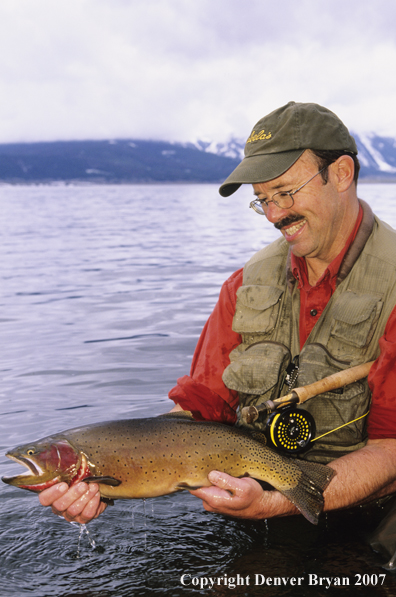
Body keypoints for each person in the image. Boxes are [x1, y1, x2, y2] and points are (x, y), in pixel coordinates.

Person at [39, 101, 396, 524]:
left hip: (372, 514)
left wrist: (276, 501)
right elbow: (200, 410)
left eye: (285, 192)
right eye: (262, 200)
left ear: (341, 174)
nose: (276, 216)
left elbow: (391, 448)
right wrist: (108, 476)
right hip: (255, 499)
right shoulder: (243, 286)